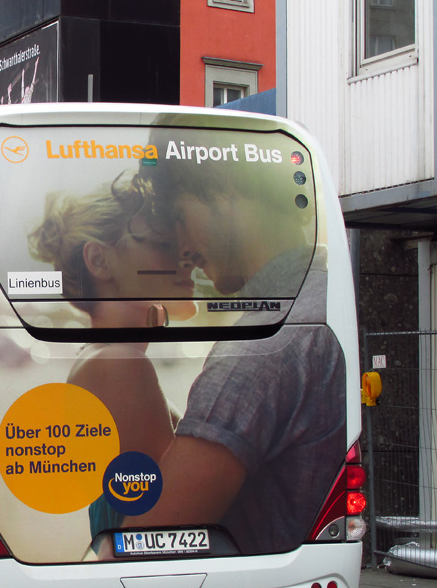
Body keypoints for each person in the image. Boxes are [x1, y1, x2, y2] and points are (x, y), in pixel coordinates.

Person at [113, 125, 345, 555]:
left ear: (224, 187)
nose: (181, 248)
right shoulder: (329, 303)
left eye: (179, 218)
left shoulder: (260, 348)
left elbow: (140, 542)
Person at [29, 174, 198, 538]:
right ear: (99, 260)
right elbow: (180, 506)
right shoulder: (118, 363)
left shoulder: (106, 356)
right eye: (162, 243)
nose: (187, 256)